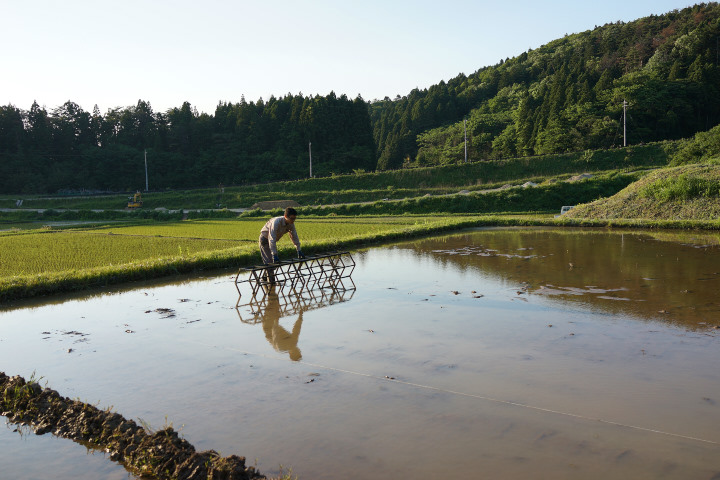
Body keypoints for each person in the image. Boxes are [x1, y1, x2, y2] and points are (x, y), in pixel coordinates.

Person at [258, 207, 305, 283]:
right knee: (270, 262)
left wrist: (298, 249)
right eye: (292, 218)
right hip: (265, 240)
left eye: (294, 219)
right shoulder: (276, 222)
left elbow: (294, 236)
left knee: (270, 263)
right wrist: (274, 254)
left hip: (272, 241)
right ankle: (271, 283)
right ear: (285, 216)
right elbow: (271, 239)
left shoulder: (291, 224)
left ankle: (264, 278)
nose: (293, 221)